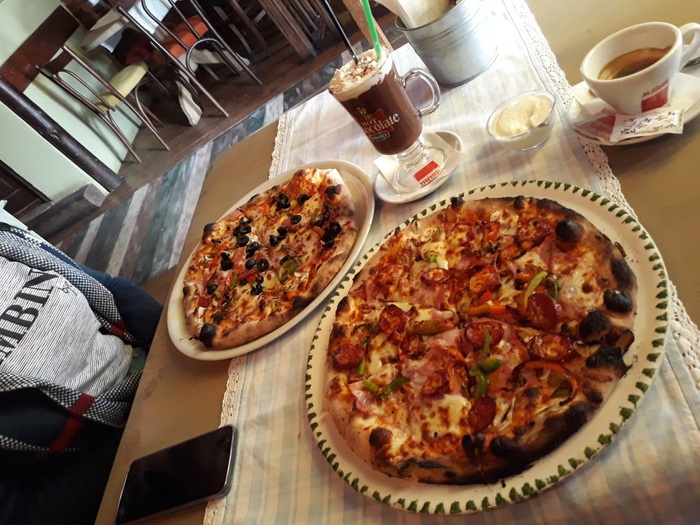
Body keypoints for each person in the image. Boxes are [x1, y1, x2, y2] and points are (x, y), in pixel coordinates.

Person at [0, 222, 163, 524]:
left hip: (158, 368)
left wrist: (170, 346)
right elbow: (25, 512)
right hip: (116, 462)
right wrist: (146, 416)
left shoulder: (6, 240)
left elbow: (109, 287)